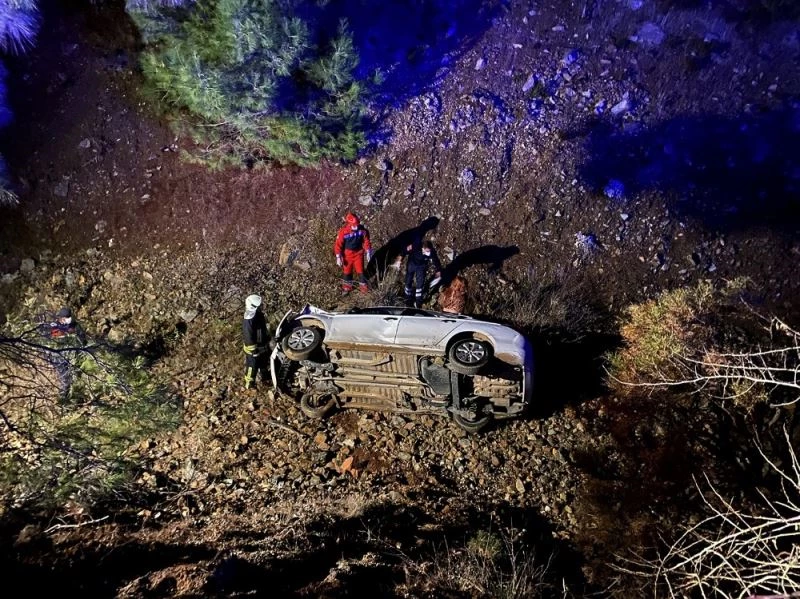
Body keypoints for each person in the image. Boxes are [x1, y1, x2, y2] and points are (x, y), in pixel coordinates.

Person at [42, 307, 86, 400]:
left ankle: (75, 396)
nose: (68, 319)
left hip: (73, 357)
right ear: (61, 318)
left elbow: (83, 340)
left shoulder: (75, 326)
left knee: (76, 377)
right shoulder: (53, 326)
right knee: (65, 379)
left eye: (69, 317)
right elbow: (47, 341)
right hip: (58, 358)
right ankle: (63, 399)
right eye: (66, 317)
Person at [395, 238, 442, 308]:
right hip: (412, 264)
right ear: (423, 248)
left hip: (421, 267)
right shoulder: (416, 245)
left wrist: (438, 271)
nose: (428, 253)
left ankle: (418, 303)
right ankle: (407, 299)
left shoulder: (431, 252)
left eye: (429, 251)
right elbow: (405, 250)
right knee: (408, 281)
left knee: (420, 284)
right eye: (427, 251)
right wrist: (400, 259)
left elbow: (436, 260)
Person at [334, 212, 373, 294]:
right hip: (347, 255)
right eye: (354, 225)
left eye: (357, 224)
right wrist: (338, 256)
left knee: (361, 271)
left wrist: (368, 251)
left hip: (359, 254)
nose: (356, 226)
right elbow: (338, 244)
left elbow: (366, 241)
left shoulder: (362, 230)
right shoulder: (343, 232)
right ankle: (347, 288)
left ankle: (364, 288)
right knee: (347, 272)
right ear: (349, 223)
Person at [243, 294, 270, 390]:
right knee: (252, 366)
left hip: (261, 344)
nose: (261, 307)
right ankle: (249, 384)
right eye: (259, 306)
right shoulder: (249, 319)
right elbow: (248, 335)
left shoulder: (258, 314)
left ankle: (265, 378)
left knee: (263, 362)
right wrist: (253, 349)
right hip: (253, 348)